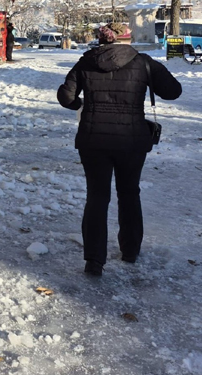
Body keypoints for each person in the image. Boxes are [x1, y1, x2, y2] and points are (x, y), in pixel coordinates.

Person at [57, 22, 182, 277]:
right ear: (127, 39)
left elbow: (66, 97)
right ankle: (130, 250)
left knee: (97, 197)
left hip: (93, 140)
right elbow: (173, 91)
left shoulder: (86, 61)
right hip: (132, 140)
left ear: (101, 40)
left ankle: (94, 261)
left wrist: (82, 103)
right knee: (129, 193)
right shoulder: (144, 62)